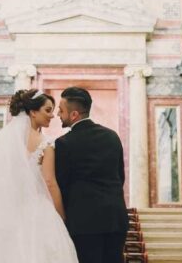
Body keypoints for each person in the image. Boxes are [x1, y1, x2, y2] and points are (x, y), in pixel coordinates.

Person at [0, 89, 78, 263]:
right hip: (37, 211)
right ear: (32, 112)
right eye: (47, 110)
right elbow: (50, 182)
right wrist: (62, 215)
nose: (52, 116)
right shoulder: (46, 144)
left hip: (7, 209)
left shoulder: (5, 141)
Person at [55, 86, 128, 263]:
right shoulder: (112, 136)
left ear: (74, 115)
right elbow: (120, 177)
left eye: (61, 110)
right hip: (115, 218)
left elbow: (61, 184)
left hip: (83, 222)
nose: (58, 114)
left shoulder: (64, 143)